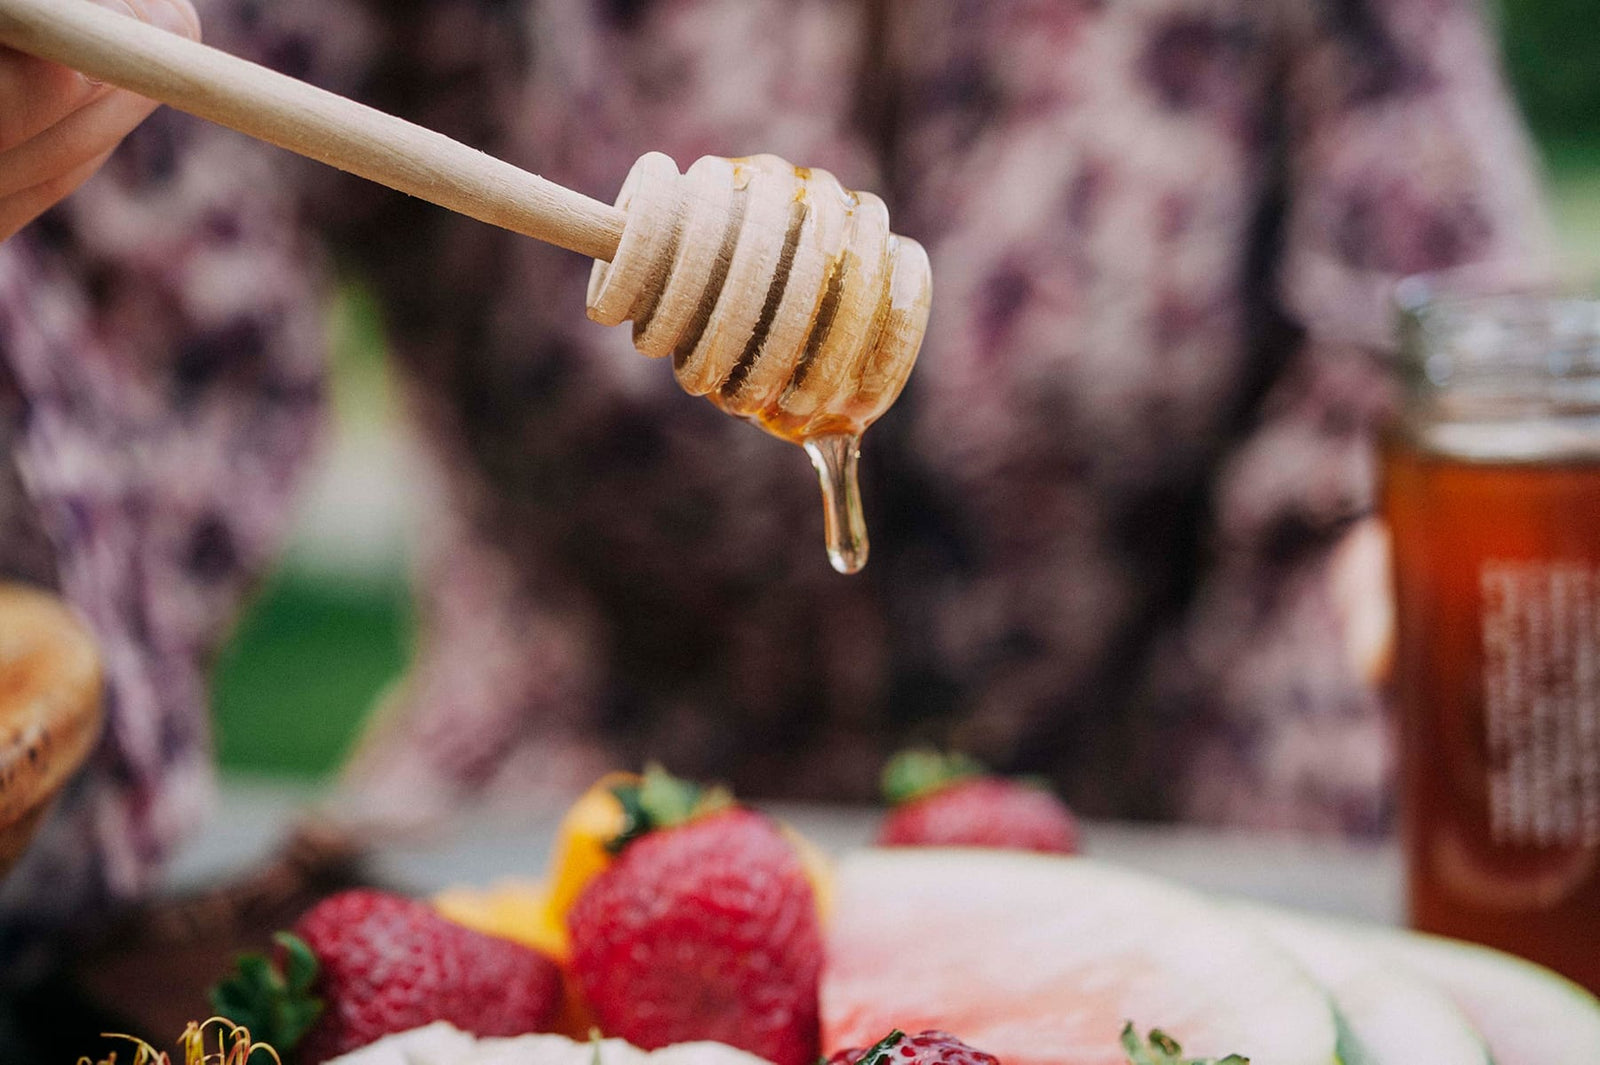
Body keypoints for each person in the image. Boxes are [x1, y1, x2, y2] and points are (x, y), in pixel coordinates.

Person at [0, 0, 1552, 965]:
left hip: (1134, 854)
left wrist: (1217, 936)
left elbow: (1410, 381)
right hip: (535, 862)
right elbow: (121, 412)